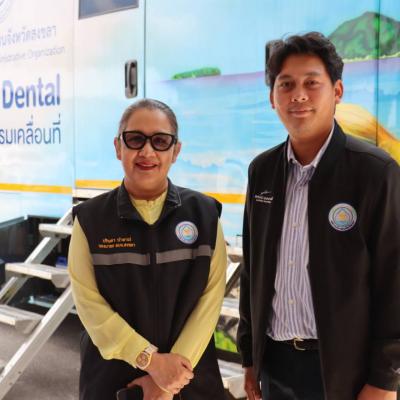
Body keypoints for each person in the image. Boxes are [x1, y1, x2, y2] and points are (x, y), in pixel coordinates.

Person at [237, 32, 400, 400]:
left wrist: (384, 380)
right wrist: (250, 357)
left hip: (346, 373)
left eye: (312, 83)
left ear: (337, 91)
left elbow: (394, 281)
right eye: (286, 84)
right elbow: (253, 270)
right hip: (275, 366)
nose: (298, 95)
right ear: (272, 98)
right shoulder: (262, 171)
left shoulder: (375, 172)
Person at [68, 99, 227, 400]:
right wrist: (151, 361)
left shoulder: (204, 215)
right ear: (118, 147)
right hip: (114, 381)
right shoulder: (90, 220)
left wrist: (168, 382)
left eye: (160, 141)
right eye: (135, 139)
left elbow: (210, 301)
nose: (147, 152)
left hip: (191, 380)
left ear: (175, 151)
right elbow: (90, 306)